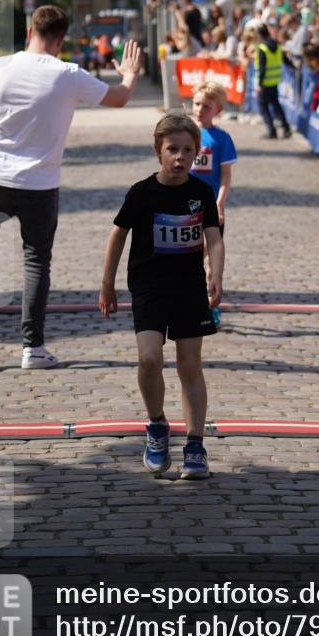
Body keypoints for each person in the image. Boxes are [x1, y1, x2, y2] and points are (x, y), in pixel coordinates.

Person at [0, 4, 142, 371]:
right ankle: (32, 348)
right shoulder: (68, 74)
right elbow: (119, 98)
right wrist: (130, 75)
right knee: (36, 260)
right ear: (60, 40)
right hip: (40, 184)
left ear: (29, 32)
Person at [98, 111, 224, 480]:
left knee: (190, 365)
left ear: (197, 153)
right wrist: (107, 282)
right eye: (173, 149)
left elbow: (214, 238)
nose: (180, 157)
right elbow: (118, 234)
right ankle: (157, 426)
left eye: (188, 150)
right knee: (149, 359)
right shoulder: (142, 193)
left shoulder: (201, 193)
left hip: (189, 288)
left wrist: (216, 273)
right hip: (149, 286)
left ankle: (195, 446)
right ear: (158, 151)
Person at [190, 82, 237, 327]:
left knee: (211, 259)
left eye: (206, 106)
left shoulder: (222, 138)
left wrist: (219, 204)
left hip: (211, 208)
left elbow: (225, 176)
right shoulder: (185, 133)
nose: (199, 109)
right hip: (186, 208)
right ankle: (190, 302)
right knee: (190, 257)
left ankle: (211, 305)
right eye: (196, 104)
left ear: (218, 110)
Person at [254, 23, 293, 139]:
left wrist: (259, 84)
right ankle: (286, 128)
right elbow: (286, 60)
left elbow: (262, 68)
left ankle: (271, 131)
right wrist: (294, 67)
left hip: (265, 82)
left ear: (259, 35)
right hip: (275, 81)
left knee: (263, 107)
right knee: (276, 105)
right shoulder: (277, 45)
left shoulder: (262, 48)